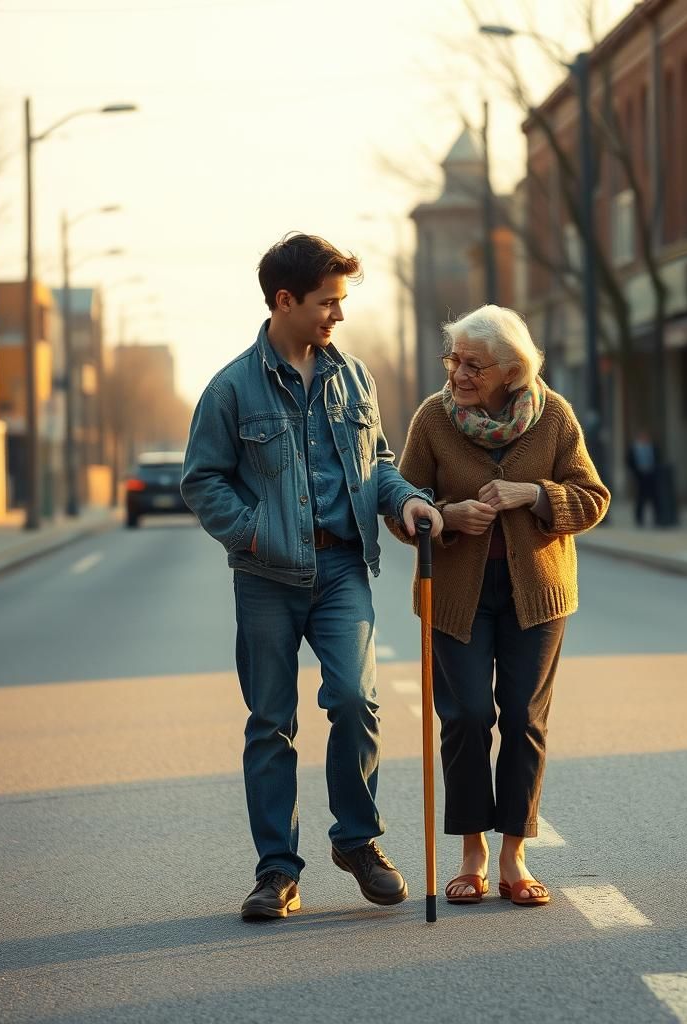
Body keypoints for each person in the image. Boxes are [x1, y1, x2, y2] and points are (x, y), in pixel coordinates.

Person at [181, 233, 442, 921]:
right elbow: (202, 480)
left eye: (341, 301)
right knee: (272, 722)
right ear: (285, 300)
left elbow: (376, 461)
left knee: (356, 700)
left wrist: (407, 501)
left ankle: (357, 841)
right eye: (328, 302)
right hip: (265, 576)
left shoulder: (354, 377)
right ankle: (277, 871)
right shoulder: (230, 388)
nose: (339, 314)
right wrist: (254, 533)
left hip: (342, 567)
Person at [388, 304, 609, 907]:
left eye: (474, 365)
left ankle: (514, 854)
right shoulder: (433, 419)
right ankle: (472, 853)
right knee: (465, 717)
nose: (458, 373)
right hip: (455, 595)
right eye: (454, 360)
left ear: (512, 370)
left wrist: (534, 493)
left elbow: (593, 498)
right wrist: (444, 516)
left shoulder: (554, 416)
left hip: (535, 595)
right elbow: (400, 507)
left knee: (522, 719)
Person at [626, 428, 659, 526]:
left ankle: (656, 518)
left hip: (651, 475)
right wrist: (635, 472)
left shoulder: (652, 447)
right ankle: (639, 519)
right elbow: (629, 461)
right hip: (639, 476)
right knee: (640, 498)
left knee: (654, 497)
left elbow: (657, 459)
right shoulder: (634, 448)